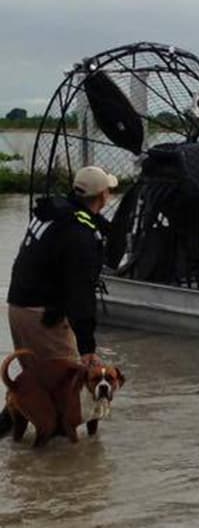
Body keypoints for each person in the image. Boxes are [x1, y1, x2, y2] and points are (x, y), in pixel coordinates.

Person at [1, 166, 118, 437]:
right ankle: (55, 471)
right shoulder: (79, 235)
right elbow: (80, 294)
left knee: (34, 385)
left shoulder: (56, 212)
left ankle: (13, 448)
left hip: (19, 306)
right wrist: (87, 345)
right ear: (102, 196)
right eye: (108, 191)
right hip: (41, 315)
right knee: (67, 394)